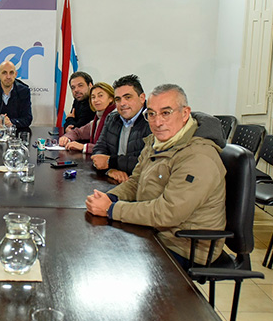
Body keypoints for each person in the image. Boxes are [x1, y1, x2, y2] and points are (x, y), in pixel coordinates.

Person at [85, 84, 227, 270]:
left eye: (166, 113)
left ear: (185, 114)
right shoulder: (157, 141)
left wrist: (112, 209)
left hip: (183, 246)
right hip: (153, 230)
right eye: (151, 114)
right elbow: (136, 181)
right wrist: (110, 197)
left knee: (110, 264)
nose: (157, 122)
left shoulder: (198, 156)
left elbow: (168, 212)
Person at [91, 74, 152, 184]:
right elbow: (99, 150)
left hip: (144, 184)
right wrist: (110, 169)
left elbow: (150, 162)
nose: (122, 103)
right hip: (115, 181)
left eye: (128, 97)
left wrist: (111, 162)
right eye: (118, 99)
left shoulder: (153, 121)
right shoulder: (112, 118)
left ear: (142, 98)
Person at [58, 82, 117, 154]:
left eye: (100, 96)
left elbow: (110, 150)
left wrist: (84, 147)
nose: (95, 100)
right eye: (93, 97)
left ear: (111, 98)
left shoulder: (116, 119)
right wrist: (66, 138)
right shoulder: (96, 120)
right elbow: (78, 132)